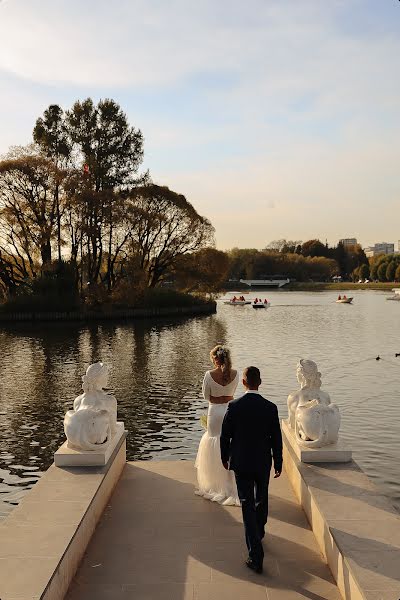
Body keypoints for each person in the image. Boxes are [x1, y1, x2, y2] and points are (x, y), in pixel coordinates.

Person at [220, 366, 282, 574]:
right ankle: (260, 532)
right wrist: (279, 462)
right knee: (261, 497)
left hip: (242, 462)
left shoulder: (234, 406)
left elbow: (225, 435)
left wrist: (224, 456)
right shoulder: (270, 408)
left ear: (244, 383)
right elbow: (276, 439)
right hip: (263, 462)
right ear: (260, 382)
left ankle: (255, 555)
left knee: (247, 504)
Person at [195, 345, 240, 506]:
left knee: (214, 444)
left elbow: (206, 395)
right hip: (230, 410)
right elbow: (233, 391)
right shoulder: (236, 374)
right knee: (229, 443)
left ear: (215, 359)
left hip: (214, 412)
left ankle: (216, 485)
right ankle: (231, 485)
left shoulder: (209, 375)